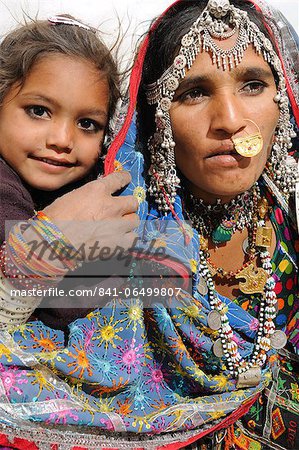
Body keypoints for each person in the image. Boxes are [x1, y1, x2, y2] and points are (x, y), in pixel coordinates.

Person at [0, 1, 298, 450]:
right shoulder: (111, 221)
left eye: (254, 84)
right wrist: (41, 248)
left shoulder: (289, 218)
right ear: (155, 116)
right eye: (194, 91)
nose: (232, 122)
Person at [0, 15, 139, 329]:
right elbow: (58, 308)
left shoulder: (94, 186)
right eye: (39, 111)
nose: (61, 140)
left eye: (87, 124)